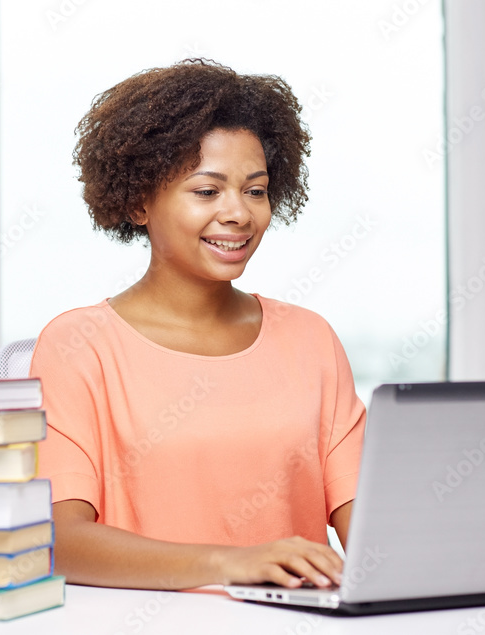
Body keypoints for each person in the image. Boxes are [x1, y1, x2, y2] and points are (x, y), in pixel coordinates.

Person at [28, 58, 366, 591]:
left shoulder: (310, 339)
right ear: (139, 201)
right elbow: (59, 542)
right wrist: (230, 564)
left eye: (255, 191)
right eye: (207, 191)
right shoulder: (79, 346)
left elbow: (374, 534)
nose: (238, 213)